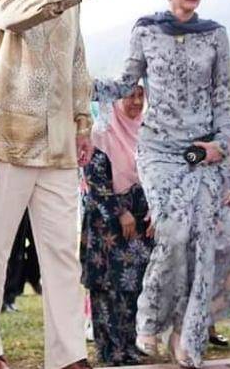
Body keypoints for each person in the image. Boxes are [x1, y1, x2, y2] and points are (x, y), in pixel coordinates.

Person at [0, 0, 105, 369]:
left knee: (64, 258)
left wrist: (83, 124)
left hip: (60, 148)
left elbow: (77, 65)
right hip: (3, 141)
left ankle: (67, 357)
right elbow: (9, 17)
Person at [95, 0, 230, 368]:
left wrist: (225, 160)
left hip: (202, 153)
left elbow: (222, 99)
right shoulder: (147, 30)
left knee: (201, 245)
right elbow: (126, 83)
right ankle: (151, 318)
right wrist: (82, 86)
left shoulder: (215, 35)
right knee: (174, 233)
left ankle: (187, 336)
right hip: (159, 151)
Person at [80, 85, 154, 367]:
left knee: (131, 287)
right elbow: (95, 180)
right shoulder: (101, 133)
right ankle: (110, 350)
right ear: (116, 97)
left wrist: (153, 213)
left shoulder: (145, 131)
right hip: (107, 223)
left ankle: (127, 345)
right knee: (106, 288)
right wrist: (120, 211)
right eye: (130, 95)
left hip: (138, 223)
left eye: (141, 95)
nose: (136, 101)